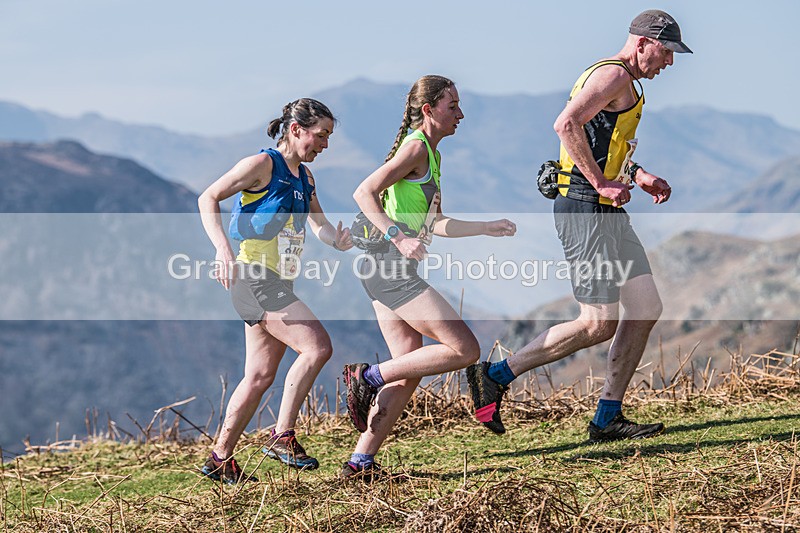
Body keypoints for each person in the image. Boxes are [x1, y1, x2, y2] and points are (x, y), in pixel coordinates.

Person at [467, 10, 692, 442]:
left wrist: (636, 174)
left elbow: (600, 140)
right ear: (642, 43)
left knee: (645, 309)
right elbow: (566, 124)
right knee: (596, 323)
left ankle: (608, 416)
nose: (669, 62)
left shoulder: (621, 80)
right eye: (666, 52)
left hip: (604, 211)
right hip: (586, 210)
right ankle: (494, 375)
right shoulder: (613, 77)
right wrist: (602, 183)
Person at [341, 75, 517, 479]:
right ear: (428, 110)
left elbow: (434, 223)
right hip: (388, 265)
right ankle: (365, 376)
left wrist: (485, 227)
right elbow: (363, 193)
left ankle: (360, 462)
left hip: (385, 267)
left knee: (409, 369)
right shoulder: (417, 146)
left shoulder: (431, 155)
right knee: (465, 349)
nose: (460, 114)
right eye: (452, 106)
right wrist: (398, 236)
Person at [197, 98, 353, 483]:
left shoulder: (306, 179)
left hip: (277, 281)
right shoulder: (262, 165)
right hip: (254, 278)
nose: (325, 145)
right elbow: (207, 197)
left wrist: (339, 241)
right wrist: (222, 249)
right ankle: (283, 435)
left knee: (259, 376)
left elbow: (320, 226)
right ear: (296, 129)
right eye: (321, 135)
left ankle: (220, 458)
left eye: (329, 137)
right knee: (317, 347)